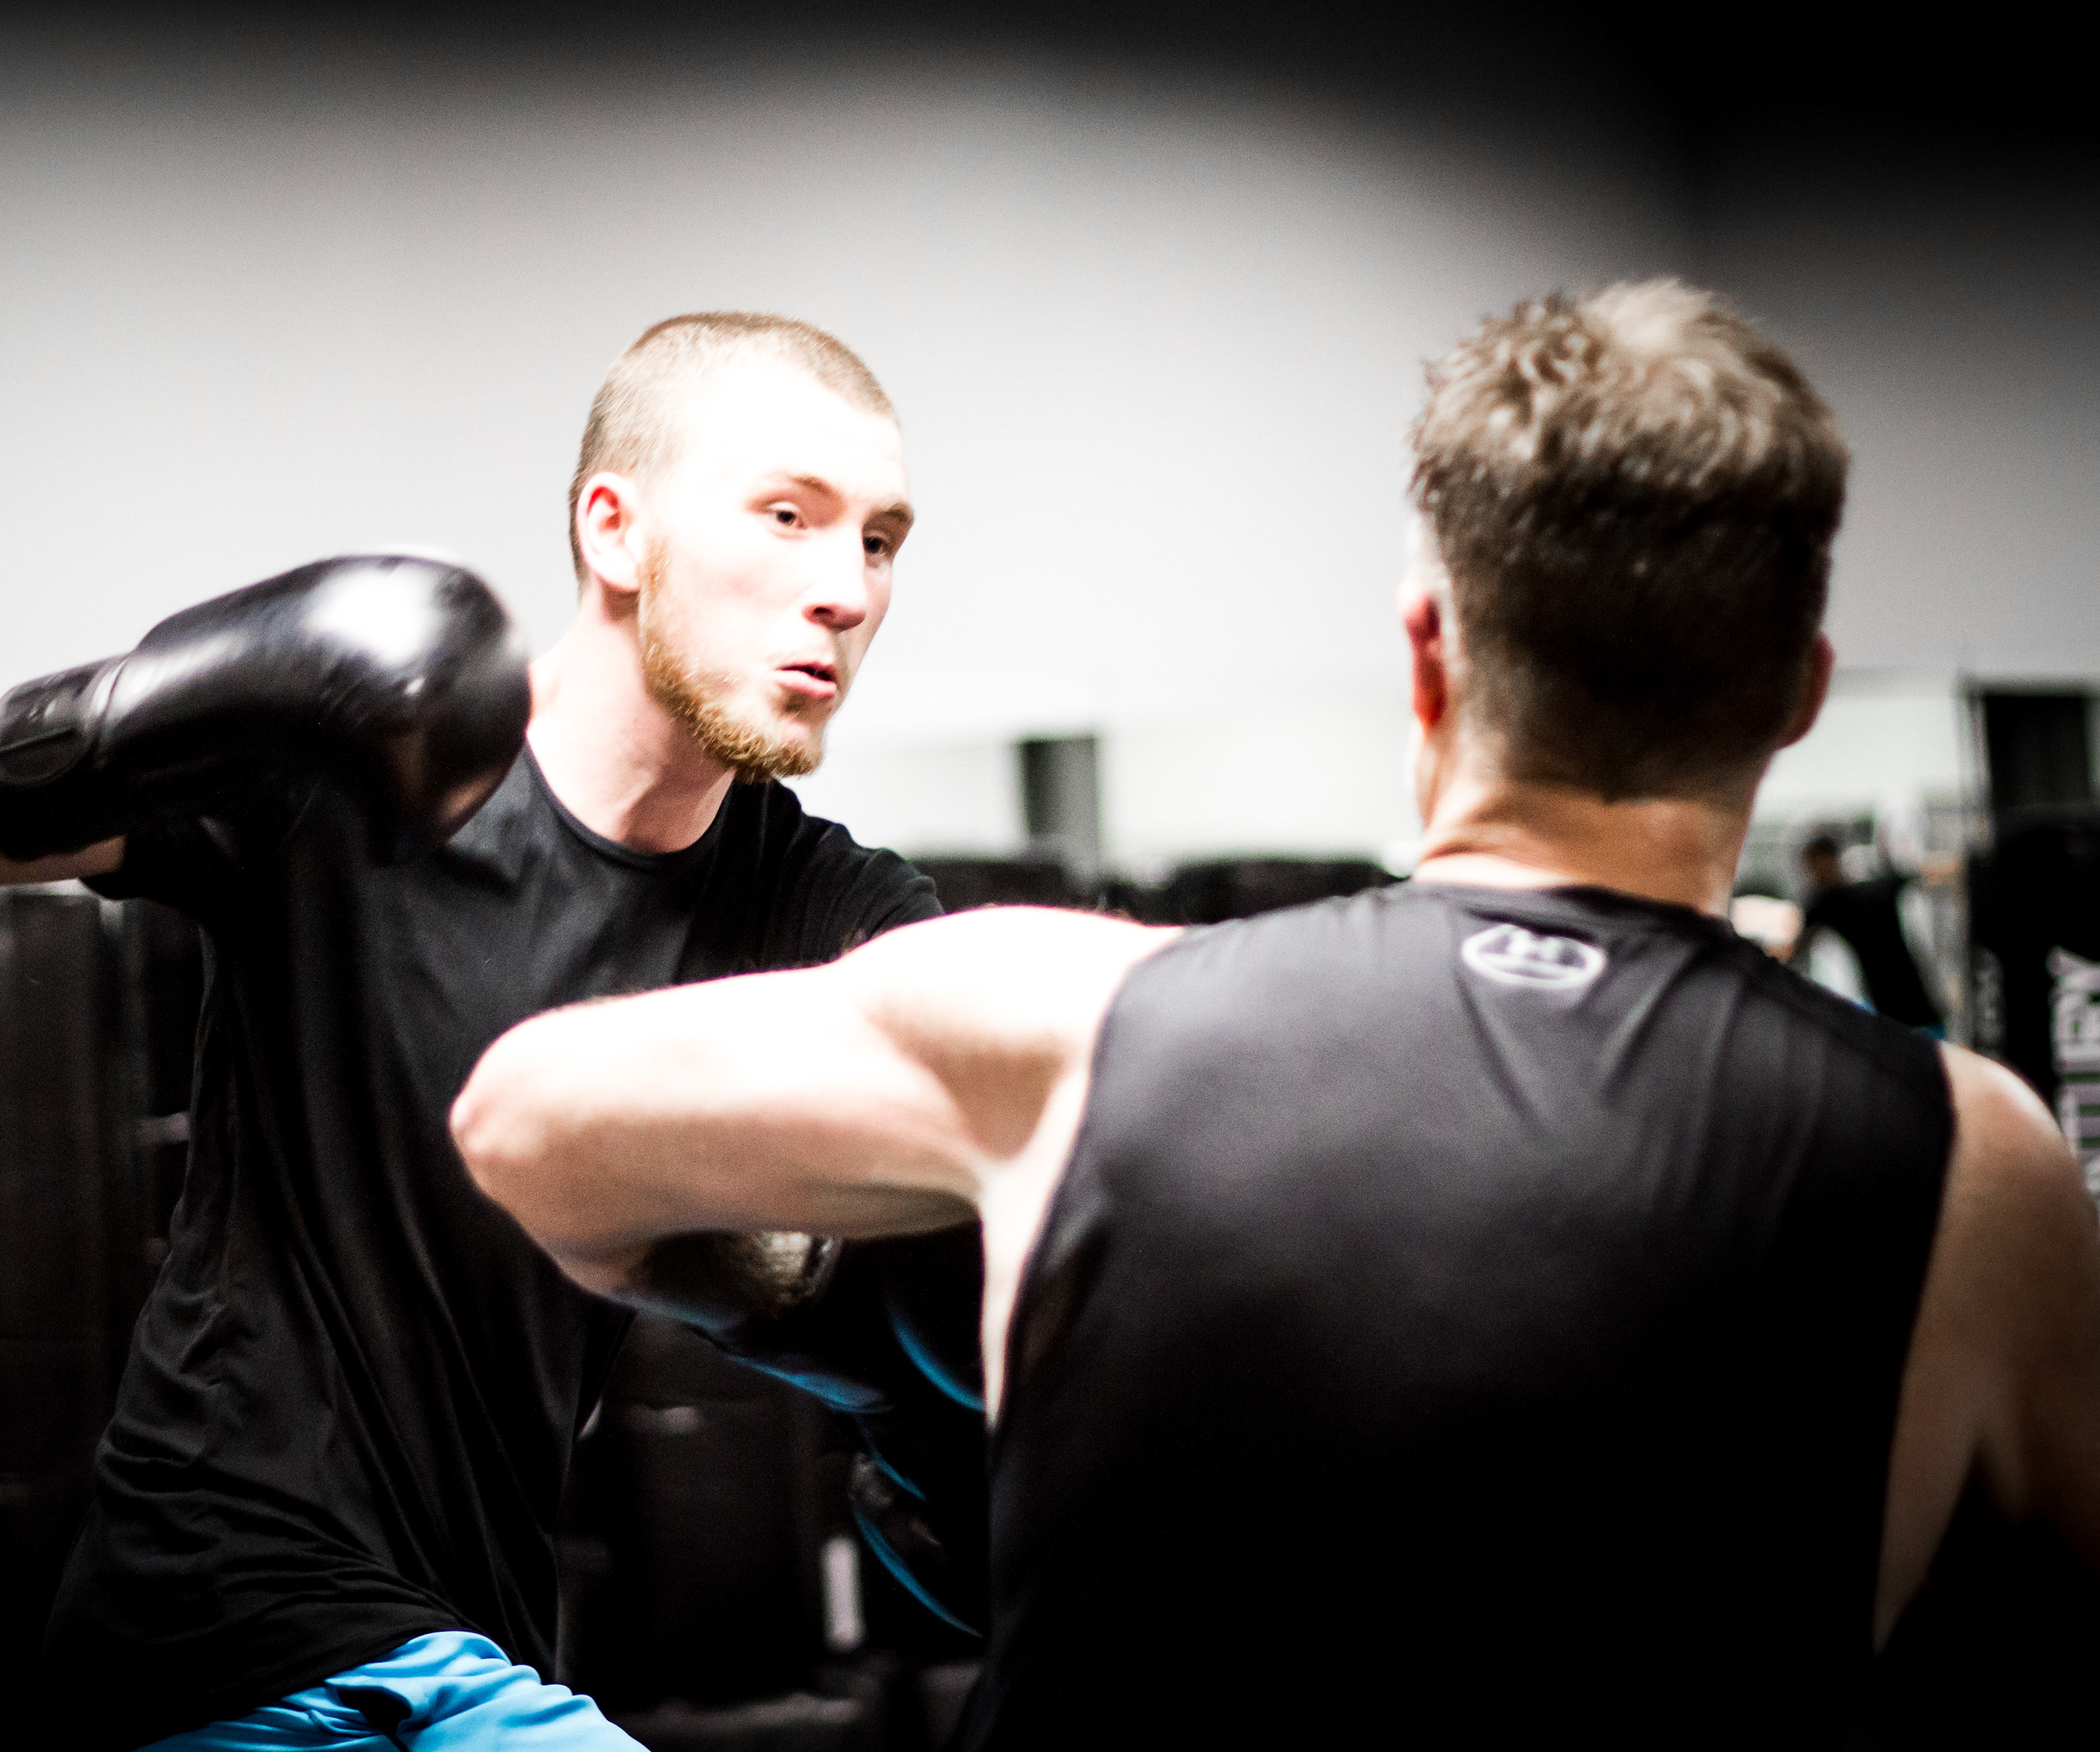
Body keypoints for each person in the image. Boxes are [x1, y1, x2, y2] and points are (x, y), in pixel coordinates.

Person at [454, 282, 2100, 1742]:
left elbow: (526, 1127)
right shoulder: (1979, 1163)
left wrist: (874, 1349)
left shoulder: (1069, 1020)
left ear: (1428, 652)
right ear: (1800, 693)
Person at [0, 313, 963, 1751]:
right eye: (788, 517)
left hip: (472, 1641)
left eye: (880, 541)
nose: (846, 590)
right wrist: (172, 710)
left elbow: (1035, 1050)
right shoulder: (350, 772)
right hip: (215, 1632)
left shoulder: (814, 908)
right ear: (614, 530)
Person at [1796, 830, 1948, 1031]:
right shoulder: (1867, 889)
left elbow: (1793, 948)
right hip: (1912, 1011)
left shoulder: (1829, 902)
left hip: (1899, 1016)